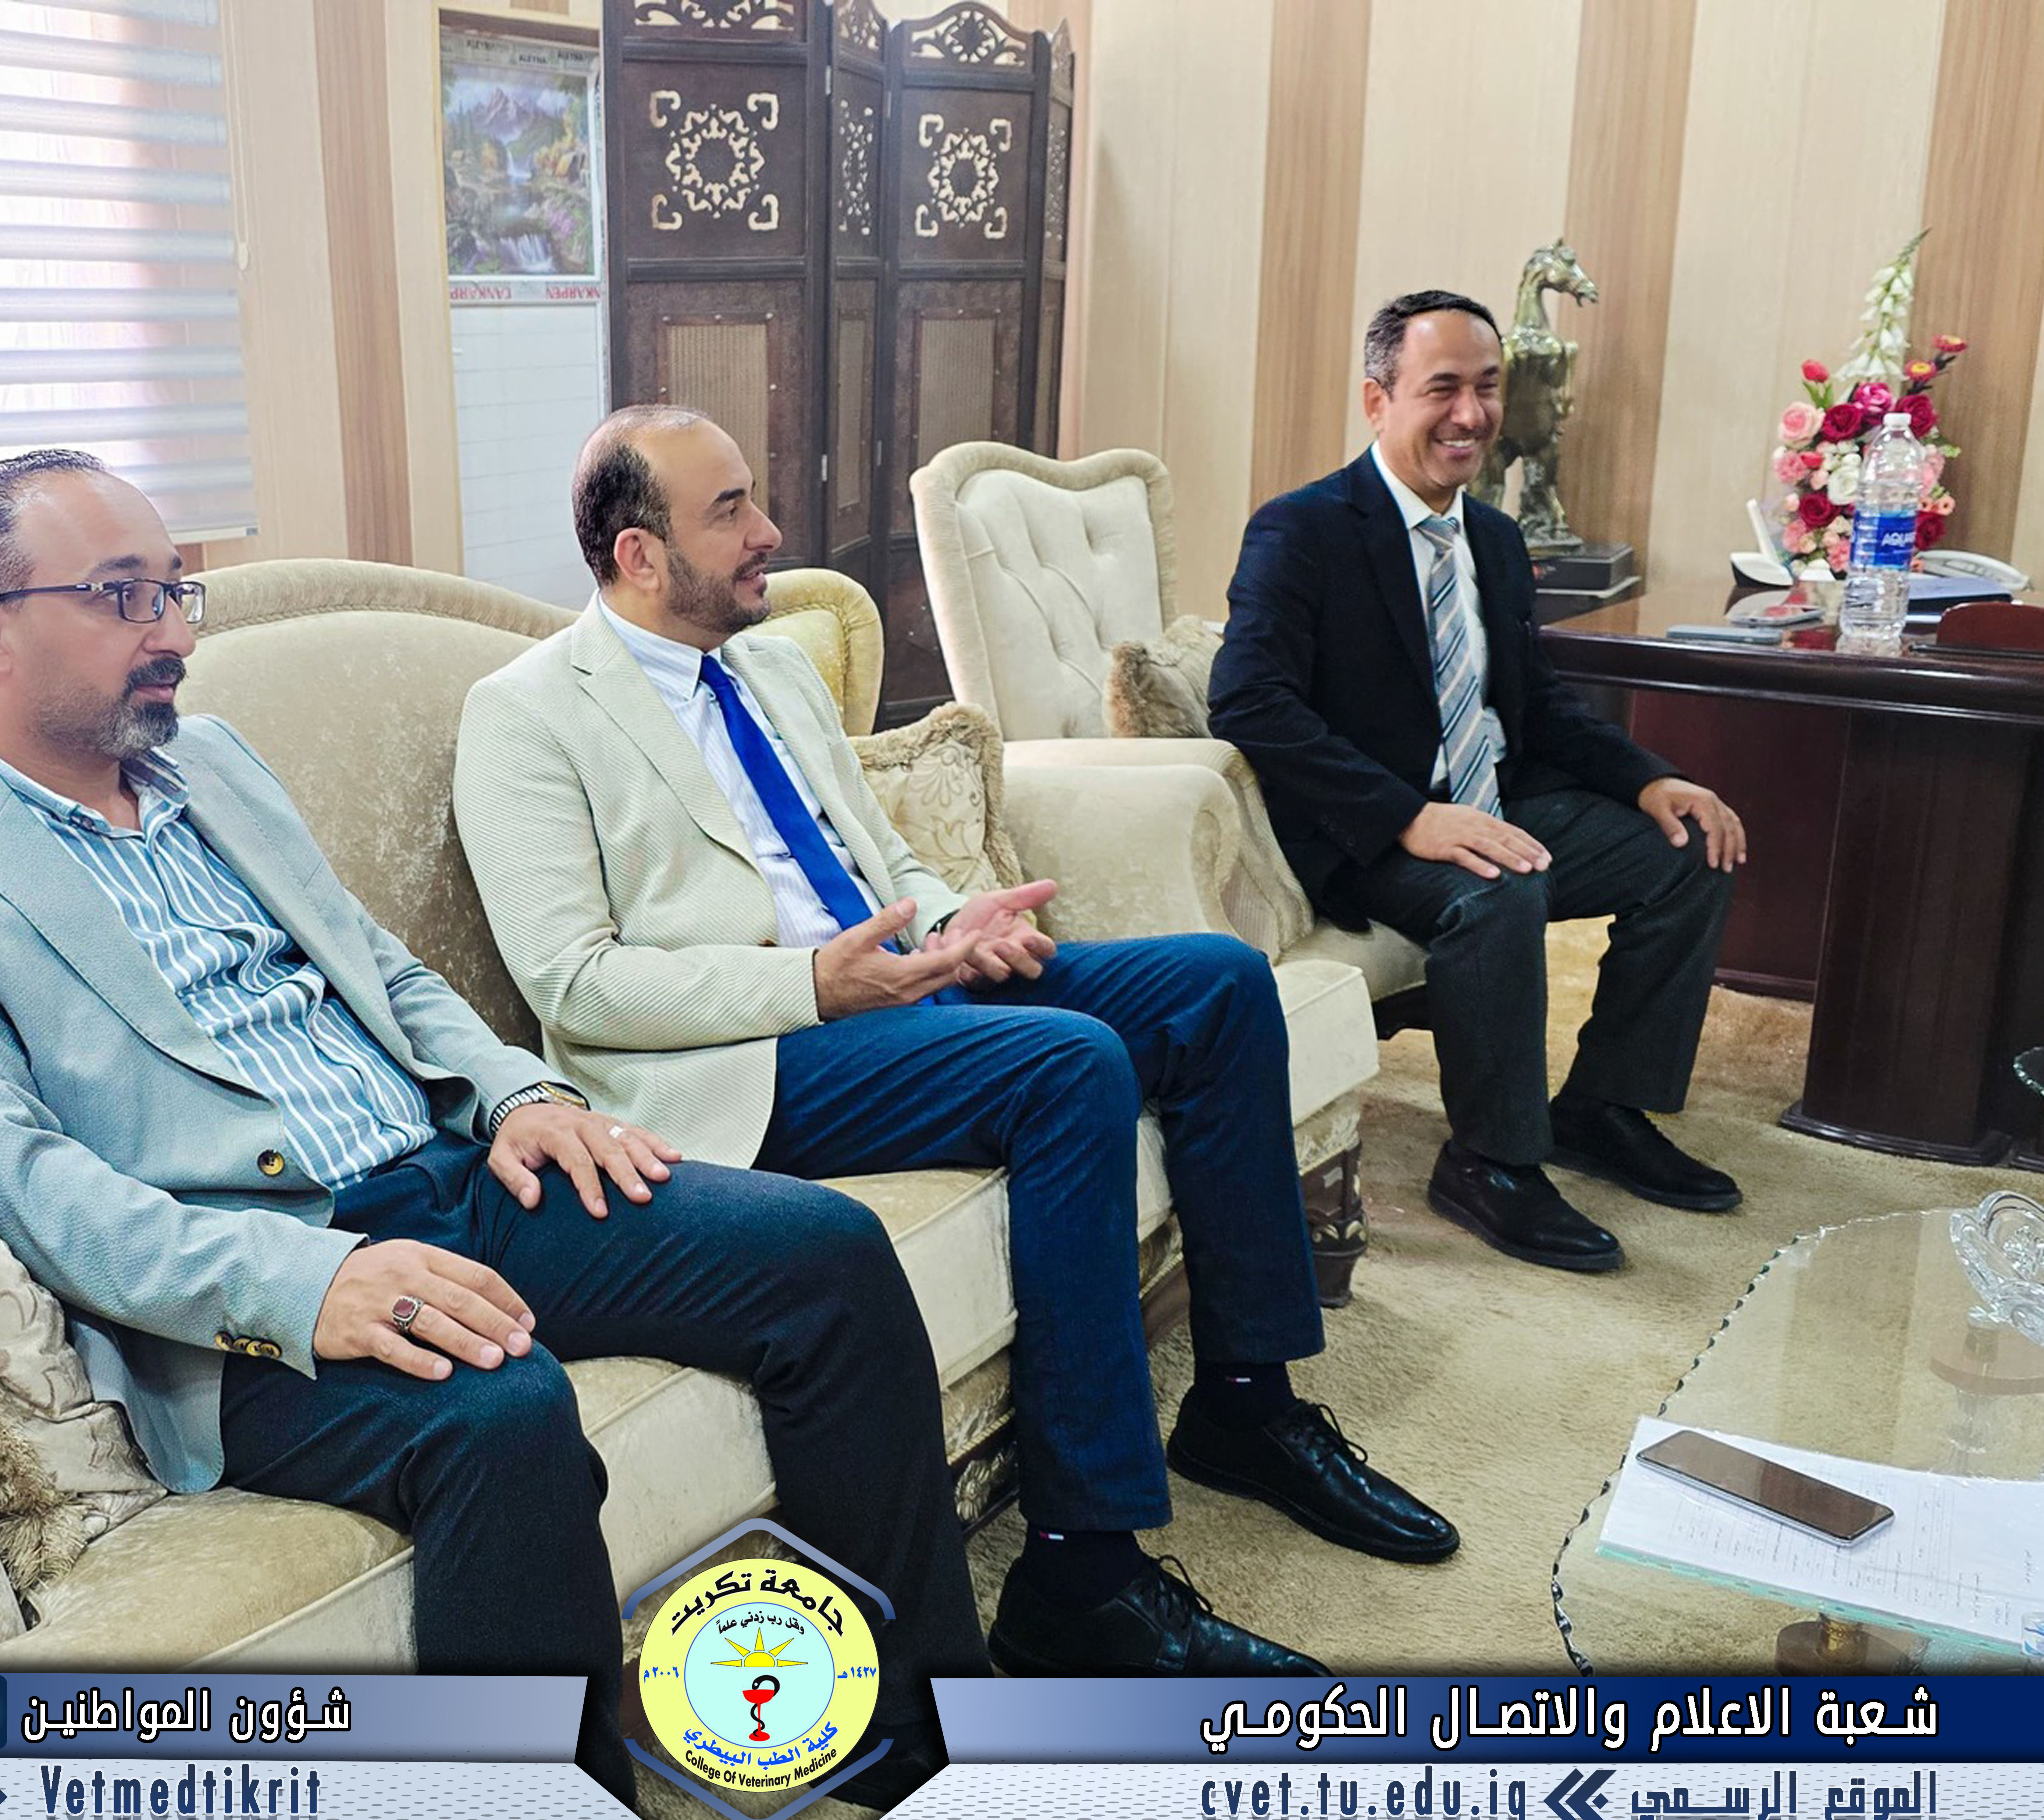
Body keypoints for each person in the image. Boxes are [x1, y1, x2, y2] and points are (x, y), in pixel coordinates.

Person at [0, 450, 992, 1807]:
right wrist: (312, 1283)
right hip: (240, 1294)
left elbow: (385, 975)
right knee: (499, 1412)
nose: (172, 633)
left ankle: (918, 1740)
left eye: (176, 590)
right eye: (123, 597)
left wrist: (520, 1095)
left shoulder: (207, 762)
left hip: (447, 1179)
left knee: (823, 1255)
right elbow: (28, 1183)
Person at [455, 406, 1459, 1684]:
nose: (770, 531)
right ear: (639, 555)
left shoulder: (770, 670)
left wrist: (950, 924)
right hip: (746, 1058)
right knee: (1067, 1066)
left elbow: (881, 860)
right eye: (731, 512)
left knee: (1214, 987)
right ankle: (1080, 1575)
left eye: (754, 497)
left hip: (891, 992)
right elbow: (575, 984)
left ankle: (1244, 1407)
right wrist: (814, 984)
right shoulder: (527, 712)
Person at [1210, 290, 1748, 1276]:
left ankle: (1601, 1107)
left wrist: (1650, 782)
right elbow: (1248, 702)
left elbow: (1535, 703)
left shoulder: (1493, 540)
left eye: (1488, 388)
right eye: (1443, 388)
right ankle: (1489, 1161)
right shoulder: (1301, 530)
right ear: (1377, 400)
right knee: (1497, 891)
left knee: (1689, 850)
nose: (1471, 414)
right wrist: (1406, 818)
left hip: (1491, 798)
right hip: (1366, 831)